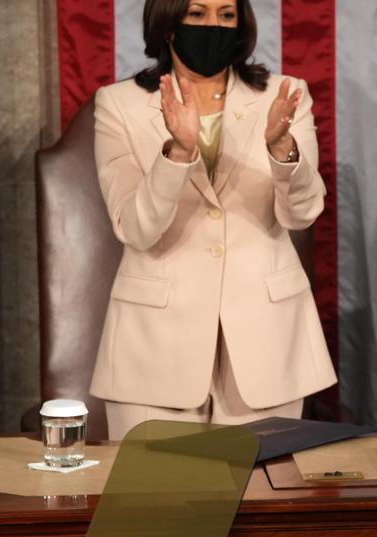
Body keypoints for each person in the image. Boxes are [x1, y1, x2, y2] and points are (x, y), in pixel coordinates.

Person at [90, 0, 336, 439]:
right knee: (158, 505)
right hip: (154, 350)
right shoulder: (119, 104)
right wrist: (178, 153)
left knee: (257, 502)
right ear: (168, 24)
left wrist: (281, 148)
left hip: (266, 344)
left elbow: (302, 214)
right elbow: (135, 228)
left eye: (226, 15)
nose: (213, 25)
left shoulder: (282, 96)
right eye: (197, 14)